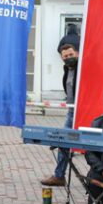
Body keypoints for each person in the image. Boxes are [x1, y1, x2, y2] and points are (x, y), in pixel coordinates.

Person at [41, 44, 79, 186]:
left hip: (83, 111)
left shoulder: (82, 69)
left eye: (71, 55)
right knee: (63, 142)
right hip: (71, 112)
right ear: (62, 58)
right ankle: (59, 176)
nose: (69, 58)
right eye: (65, 56)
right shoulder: (67, 69)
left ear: (77, 53)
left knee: (91, 144)